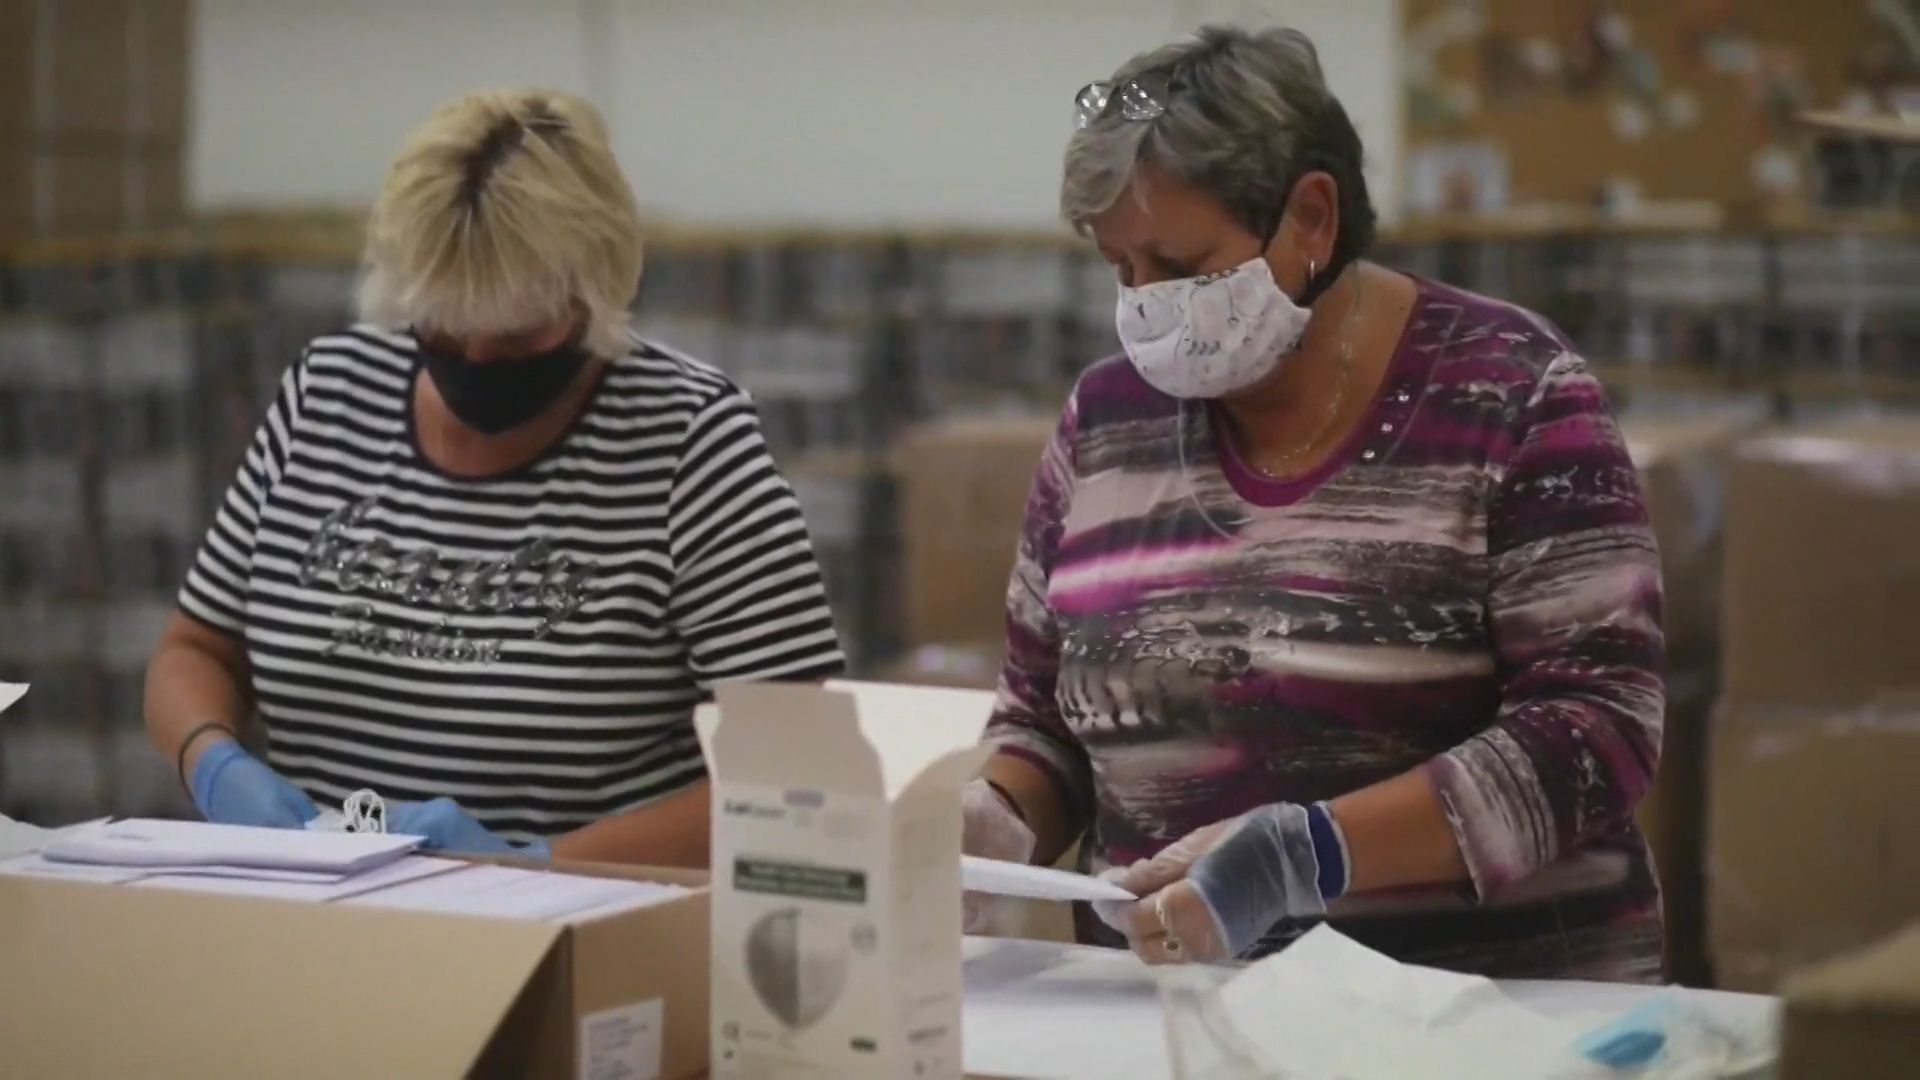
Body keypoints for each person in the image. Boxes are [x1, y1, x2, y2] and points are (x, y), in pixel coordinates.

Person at [961, 26, 1667, 982]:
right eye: (1120, 270)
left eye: (1180, 265)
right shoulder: (1106, 422)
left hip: (1477, 1012)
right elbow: (1045, 717)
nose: (1146, 307)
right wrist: (1000, 814)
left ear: (1312, 219)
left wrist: (1310, 854)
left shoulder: (1512, 395)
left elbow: (1598, 728)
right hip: (1171, 1013)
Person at [144, 89, 843, 863]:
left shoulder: (690, 445)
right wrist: (213, 762)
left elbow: (798, 773)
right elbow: (197, 650)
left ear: (596, 293)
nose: (476, 360)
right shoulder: (326, 396)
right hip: (316, 918)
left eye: (514, 334)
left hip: (584, 936)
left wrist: (541, 866)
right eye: (445, 323)